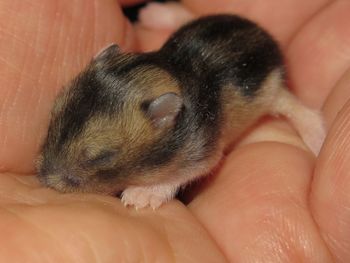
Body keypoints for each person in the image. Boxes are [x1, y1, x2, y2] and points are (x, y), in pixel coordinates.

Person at [0, 0, 349, 261]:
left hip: (255, 65)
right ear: (104, 59)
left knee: (271, 95)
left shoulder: (190, 128)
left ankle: (293, 108)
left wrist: (164, 184)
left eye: (102, 155)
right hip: (195, 39)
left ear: (164, 116)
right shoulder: (144, 99)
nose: (51, 172)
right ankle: (186, 22)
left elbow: (207, 156)